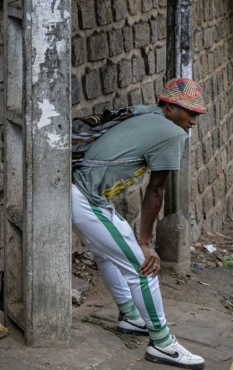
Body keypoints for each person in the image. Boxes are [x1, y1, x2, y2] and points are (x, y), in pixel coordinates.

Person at [72, 78, 206, 369]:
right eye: (190, 112)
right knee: (143, 267)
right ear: (169, 107)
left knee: (106, 254)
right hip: (83, 196)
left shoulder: (146, 111)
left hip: (80, 190)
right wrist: (144, 244)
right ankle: (163, 344)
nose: (194, 121)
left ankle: (132, 318)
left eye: (197, 114)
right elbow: (156, 190)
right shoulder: (172, 132)